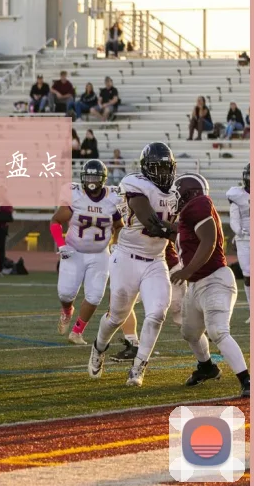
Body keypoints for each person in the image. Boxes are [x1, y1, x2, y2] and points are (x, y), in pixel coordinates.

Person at [88, 142, 177, 387]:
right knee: (117, 316)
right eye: (156, 167)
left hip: (156, 261)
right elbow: (151, 223)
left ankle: (138, 367)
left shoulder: (177, 192)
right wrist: (180, 230)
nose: (162, 172)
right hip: (127, 256)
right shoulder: (135, 183)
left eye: (166, 167)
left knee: (157, 313)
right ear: (146, 169)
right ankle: (99, 347)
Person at [171, 173, 250, 398]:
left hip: (215, 279)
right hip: (197, 285)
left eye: (178, 193)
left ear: (188, 194)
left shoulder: (199, 204)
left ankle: (246, 379)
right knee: (190, 333)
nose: (175, 198)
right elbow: (184, 233)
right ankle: (207, 366)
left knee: (217, 330)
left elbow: (209, 240)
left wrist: (187, 270)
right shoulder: (189, 214)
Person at [51, 160, 124, 345]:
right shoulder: (75, 196)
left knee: (95, 295)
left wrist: (117, 243)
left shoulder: (112, 198)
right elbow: (55, 221)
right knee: (65, 295)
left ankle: (77, 332)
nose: (91, 181)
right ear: (83, 178)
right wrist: (61, 244)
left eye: (95, 177)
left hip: (100, 253)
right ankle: (67, 311)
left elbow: (119, 225)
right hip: (74, 251)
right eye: (88, 177)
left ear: (103, 180)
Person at [227, 164, 250, 323]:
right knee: (248, 275)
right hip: (246, 240)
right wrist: (240, 233)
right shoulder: (237, 196)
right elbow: (234, 220)